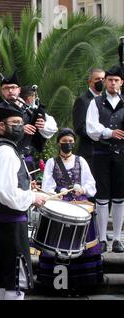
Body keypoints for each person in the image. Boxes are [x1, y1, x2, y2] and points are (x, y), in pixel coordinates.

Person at [0, 103, 47, 300]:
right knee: (15, 282)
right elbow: (3, 191)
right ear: (0, 125)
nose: (20, 126)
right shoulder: (5, 151)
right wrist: (32, 197)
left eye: (21, 122)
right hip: (9, 223)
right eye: (15, 122)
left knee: (3, 280)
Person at [38, 128, 103, 292]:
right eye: (65, 142)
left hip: (79, 204)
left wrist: (83, 189)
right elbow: (47, 186)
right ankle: (57, 284)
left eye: (71, 142)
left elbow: (91, 185)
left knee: (82, 243)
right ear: (58, 143)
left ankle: (82, 283)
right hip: (61, 204)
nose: (68, 144)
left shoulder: (81, 161)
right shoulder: (52, 162)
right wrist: (55, 194)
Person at [86, 65, 124, 253]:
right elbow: (91, 129)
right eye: (110, 80)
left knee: (119, 197)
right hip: (100, 154)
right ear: (105, 82)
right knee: (101, 197)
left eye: (116, 80)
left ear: (121, 83)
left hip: (122, 155)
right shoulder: (96, 102)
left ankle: (117, 238)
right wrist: (109, 132)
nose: (112, 83)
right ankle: (102, 239)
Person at [0, 74, 57, 173]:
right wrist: (19, 128)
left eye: (13, 87)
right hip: (5, 159)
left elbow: (52, 127)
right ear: (2, 91)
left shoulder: (32, 109)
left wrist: (43, 125)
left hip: (29, 160)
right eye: (6, 88)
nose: (10, 91)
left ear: (19, 90)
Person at [72, 68, 105, 168]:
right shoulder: (83, 100)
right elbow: (79, 127)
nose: (101, 82)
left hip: (106, 152)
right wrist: (101, 134)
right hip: (90, 152)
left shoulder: (106, 100)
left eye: (103, 79)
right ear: (90, 82)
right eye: (97, 79)